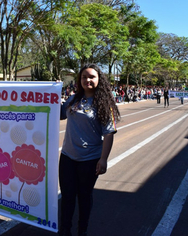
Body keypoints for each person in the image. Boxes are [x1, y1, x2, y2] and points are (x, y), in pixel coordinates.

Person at [59, 64, 120, 236]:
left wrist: (103, 159)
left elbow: (109, 134)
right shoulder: (73, 100)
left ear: (99, 79)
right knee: (67, 197)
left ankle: (82, 231)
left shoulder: (104, 104)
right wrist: (53, 92)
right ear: (80, 80)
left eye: (92, 77)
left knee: (84, 197)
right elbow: (58, 114)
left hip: (89, 160)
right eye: (84, 77)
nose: (88, 80)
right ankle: (65, 231)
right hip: (67, 158)